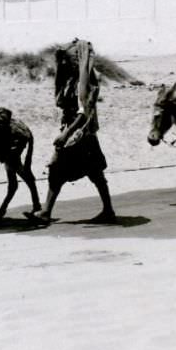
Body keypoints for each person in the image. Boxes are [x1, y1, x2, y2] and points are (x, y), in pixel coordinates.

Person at [25, 39, 116, 226]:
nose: (65, 64)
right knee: (91, 173)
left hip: (80, 134)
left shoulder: (87, 84)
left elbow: (84, 114)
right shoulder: (71, 81)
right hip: (74, 132)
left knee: (65, 170)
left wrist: (65, 134)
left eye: (70, 60)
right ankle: (107, 211)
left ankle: (46, 212)